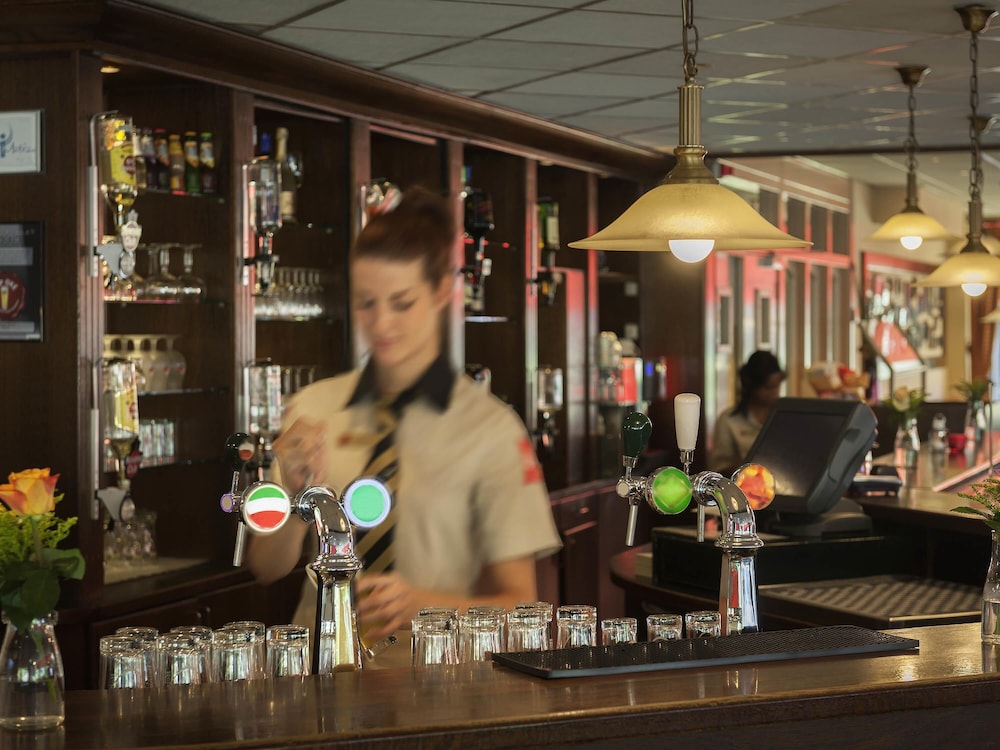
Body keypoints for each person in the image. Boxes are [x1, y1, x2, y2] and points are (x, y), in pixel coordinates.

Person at [245, 186, 561, 643]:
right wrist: (295, 501)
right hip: (321, 667)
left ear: (442, 291)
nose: (382, 324)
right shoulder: (314, 408)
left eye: (402, 303)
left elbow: (524, 604)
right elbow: (265, 567)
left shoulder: (491, 429)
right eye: (366, 303)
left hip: (436, 672)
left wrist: (426, 606)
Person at [708, 350, 785, 477]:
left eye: (777, 387)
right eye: (768, 388)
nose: (775, 393)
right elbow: (719, 469)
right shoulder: (729, 420)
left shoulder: (784, 417)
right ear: (751, 385)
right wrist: (748, 468)